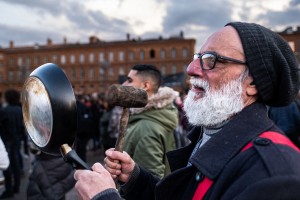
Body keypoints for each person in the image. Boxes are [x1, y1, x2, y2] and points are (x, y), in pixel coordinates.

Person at [74, 22, 300, 199]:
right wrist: (137, 179)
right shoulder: (210, 137)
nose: (191, 69)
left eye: (211, 60)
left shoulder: (275, 175)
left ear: (252, 83)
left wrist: (104, 197)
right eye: (197, 58)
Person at [120, 64, 178, 178]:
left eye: (129, 80)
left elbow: (151, 183)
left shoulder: (146, 129)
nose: (124, 85)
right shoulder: (153, 117)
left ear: (146, 85)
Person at [0, 89, 24, 198]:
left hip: (7, 141)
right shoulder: (19, 110)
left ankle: (9, 189)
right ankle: (17, 186)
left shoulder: (4, 111)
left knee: (7, 166)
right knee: (15, 164)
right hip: (16, 139)